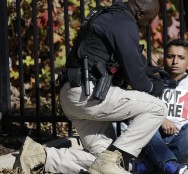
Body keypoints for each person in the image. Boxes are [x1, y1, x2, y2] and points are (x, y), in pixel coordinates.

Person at [13, 0, 168, 174]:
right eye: (149, 20)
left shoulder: (109, 16)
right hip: (88, 95)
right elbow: (138, 81)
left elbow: (118, 62)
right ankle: (114, 159)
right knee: (157, 108)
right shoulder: (124, 22)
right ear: (140, 14)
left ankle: (40, 157)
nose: (147, 26)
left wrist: (147, 69)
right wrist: (156, 86)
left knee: (102, 159)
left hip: (74, 94)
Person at [131, 39, 188, 174]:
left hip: (182, 146)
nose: (175, 62)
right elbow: (136, 111)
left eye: (181, 58)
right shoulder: (151, 82)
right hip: (155, 140)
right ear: (163, 59)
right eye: (170, 56)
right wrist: (161, 119)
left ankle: (152, 166)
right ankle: (169, 167)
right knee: (145, 124)